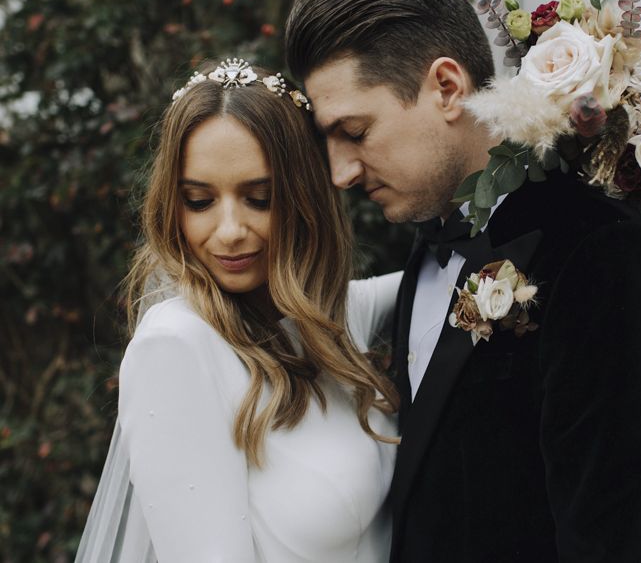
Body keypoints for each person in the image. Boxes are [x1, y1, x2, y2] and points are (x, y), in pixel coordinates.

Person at [285, 0, 641, 562]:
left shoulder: (607, 259)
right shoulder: (428, 243)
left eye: (354, 132)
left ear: (446, 87)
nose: (340, 172)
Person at [75, 58, 401, 563]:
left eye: (259, 198)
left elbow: (443, 281)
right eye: (200, 201)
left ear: (303, 198)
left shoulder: (327, 319)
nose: (229, 231)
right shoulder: (176, 347)